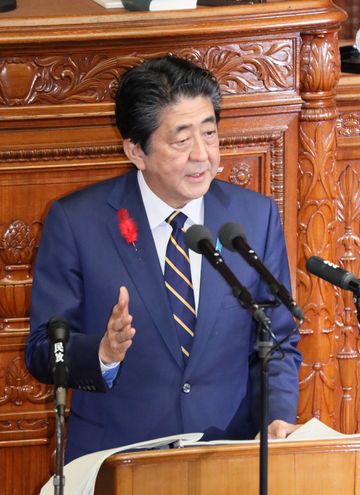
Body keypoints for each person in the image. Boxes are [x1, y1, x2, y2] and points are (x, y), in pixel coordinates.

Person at [26, 55, 302, 464]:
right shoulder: (76, 222)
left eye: (209, 134)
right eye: (181, 139)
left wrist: (277, 416)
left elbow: (278, 341)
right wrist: (102, 353)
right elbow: (43, 350)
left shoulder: (252, 218)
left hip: (227, 459)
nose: (201, 155)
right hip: (117, 461)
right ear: (136, 150)